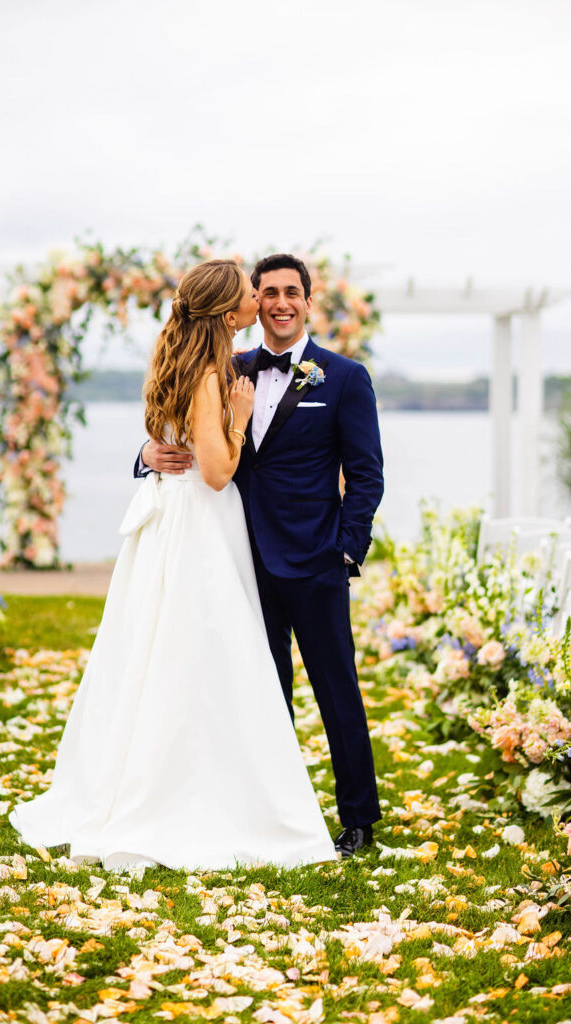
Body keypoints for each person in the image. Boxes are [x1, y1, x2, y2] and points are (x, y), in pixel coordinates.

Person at [9, 259, 336, 871]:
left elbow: (173, 442)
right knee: (204, 651)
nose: (257, 300)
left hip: (171, 521)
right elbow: (215, 473)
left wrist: (155, 449)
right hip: (199, 525)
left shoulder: (181, 361)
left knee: (160, 648)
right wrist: (236, 421)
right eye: (248, 292)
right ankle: (190, 793)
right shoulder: (214, 374)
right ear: (227, 310)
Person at [140, 254, 384, 857]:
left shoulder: (344, 378)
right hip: (240, 561)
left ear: (308, 299)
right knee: (258, 694)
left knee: (337, 692)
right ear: (252, 301)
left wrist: (346, 552)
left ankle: (358, 817)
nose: (278, 302)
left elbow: (367, 475)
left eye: (290, 293)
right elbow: (185, 428)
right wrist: (147, 452)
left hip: (316, 562)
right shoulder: (227, 363)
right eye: (267, 291)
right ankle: (273, 812)